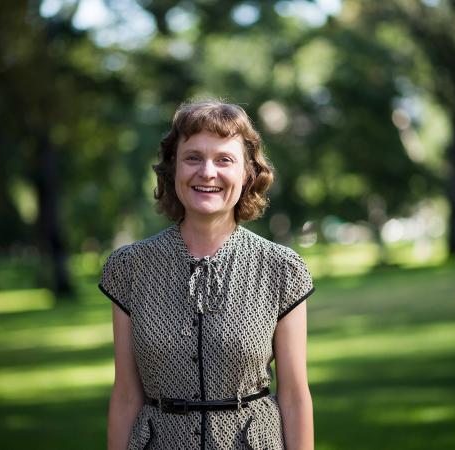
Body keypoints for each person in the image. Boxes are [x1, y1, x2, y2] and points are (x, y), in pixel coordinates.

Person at [99, 99, 315, 449]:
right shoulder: (130, 268)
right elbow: (126, 396)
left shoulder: (282, 269)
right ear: (173, 168)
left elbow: (293, 396)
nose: (207, 172)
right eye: (193, 158)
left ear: (247, 173)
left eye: (224, 160)